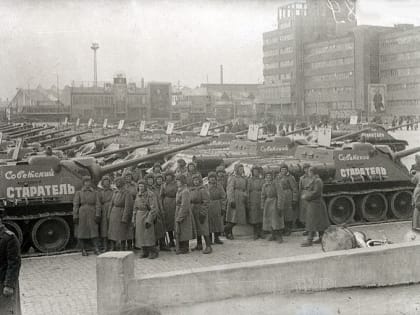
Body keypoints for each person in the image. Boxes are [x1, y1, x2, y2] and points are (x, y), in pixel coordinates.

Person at [301, 167, 330, 247]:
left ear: (313, 172)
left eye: (310, 172)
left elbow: (316, 192)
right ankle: (321, 238)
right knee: (319, 222)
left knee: (311, 222)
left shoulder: (317, 181)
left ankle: (309, 240)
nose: (308, 173)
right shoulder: (315, 180)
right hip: (315, 203)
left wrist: (306, 196)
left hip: (315, 204)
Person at [73, 176, 101, 256]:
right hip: (82, 213)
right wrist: (75, 215)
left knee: (94, 231)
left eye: (89, 182)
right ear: (83, 183)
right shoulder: (79, 193)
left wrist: (98, 214)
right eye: (86, 182)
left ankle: (96, 248)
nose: (87, 184)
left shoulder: (95, 193)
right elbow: (76, 205)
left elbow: (98, 204)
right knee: (81, 231)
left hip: (92, 212)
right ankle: (83, 249)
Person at [0, 209, 21, 312]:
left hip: (3, 284)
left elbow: (14, 263)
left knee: (7, 311)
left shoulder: (9, 238)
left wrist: (8, 285)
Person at [133, 180, 159, 259]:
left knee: (148, 235)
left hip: (147, 215)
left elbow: (154, 208)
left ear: (145, 186)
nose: (140, 188)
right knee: (140, 235)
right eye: (139, 186)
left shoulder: (150, 194)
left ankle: (153, 251)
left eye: (142, 186)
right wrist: (134, 218)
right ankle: (144, 251)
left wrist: (149, 219)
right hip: (139, 216)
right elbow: (135, 207)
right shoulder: (138, 195)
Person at [108, 177, 134, 251]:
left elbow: (128, 206)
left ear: (122, 183)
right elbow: (111, 203)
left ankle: (122, 247)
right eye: (116, 182)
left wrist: (125, 217)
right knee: (113, 232)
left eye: (118, 182)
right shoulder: (115, 192)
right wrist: (109, 214)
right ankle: (113, 247)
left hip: (121, 213)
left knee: (122, 232)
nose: (117, 183)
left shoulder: (127, 193)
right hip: (114, 214)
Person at [145, 173, 169, 251]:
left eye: (151, 180)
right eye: (149, 180)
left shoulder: (156, 189)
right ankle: (153, 246)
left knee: (160, 228)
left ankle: (162, 244)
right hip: (150, 212)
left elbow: (159, 200)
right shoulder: (145, 190)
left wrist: (161, 210)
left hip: (158, 210)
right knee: (152, 230)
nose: (150, 181)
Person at [190, 173, 212, 254]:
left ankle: (208, 246)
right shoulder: (191, 189)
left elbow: (206, 202)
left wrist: (203, 212)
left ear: (200, 181)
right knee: (197, 228)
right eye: (194, 180)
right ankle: (199, 244)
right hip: (194, 210)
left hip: (200, 210)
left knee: (204, 228)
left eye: (197, 180)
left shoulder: (203, 189)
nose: (196, 182)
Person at [225, 163, 247, 240]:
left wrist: (244, 195)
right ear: (236, 169)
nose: (241, 170)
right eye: (240, 169)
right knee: (232, 217)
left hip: (241, 199)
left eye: (242, 169)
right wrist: (231, 200)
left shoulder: (243, 178)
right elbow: (229, 189)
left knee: (238, 217)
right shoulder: (232, 178)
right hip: (235, 198)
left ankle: (228, 231)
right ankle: (228, 231)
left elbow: (244, 189)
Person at [175, 175, 195, 254]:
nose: (177, 183)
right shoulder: (179, 190)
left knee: (184, 230)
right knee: (180, 230)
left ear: (182, 182)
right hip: (178, 210)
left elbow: (185, 205)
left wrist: (180, 217)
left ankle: (185, 247)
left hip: (184, 213)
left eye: (178, 181)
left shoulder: (185, 191)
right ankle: (180, 246)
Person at [261, 170, 284, 243]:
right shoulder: (265, 185)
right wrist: (262, 205)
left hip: (275, 202)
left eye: (269, 176)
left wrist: (280, 206)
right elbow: (263, 196)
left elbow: (280, 195)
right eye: (267, 176)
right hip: (268, 203)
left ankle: (279, 236)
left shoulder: (276, 183)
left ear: (272, 177)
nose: (268, 177)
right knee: (269, 220)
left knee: (276, 219)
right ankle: (273, 234)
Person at [276, 164, 298, 236]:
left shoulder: (290, 177)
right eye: (282, 169)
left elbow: (294, 189)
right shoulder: (278, 177)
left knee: (288, 213)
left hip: (288, 195)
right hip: (280, 196)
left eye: (285, 169)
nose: (283, 171)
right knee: (281, 212)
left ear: (287, 170)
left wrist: (294, 199)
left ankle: (288, 229)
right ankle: (283, 228)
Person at [207, 172, 226, 245]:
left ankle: (216, 238)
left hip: (217, 205)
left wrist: (223, 207)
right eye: (211, 178)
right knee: (209, 223)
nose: (212, 179)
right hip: (209, 206)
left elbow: (223, 197)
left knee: (218, 222)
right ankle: (209, 239)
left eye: (213, 178)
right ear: (208, 179)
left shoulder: (219, 186)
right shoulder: (206, 186)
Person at [247, 166, 264, 239]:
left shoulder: (262, 180)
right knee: (254, 215)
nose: (256, 172)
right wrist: (248, 200)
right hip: (252, 198)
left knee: (261, 214)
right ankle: (255, 232)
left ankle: (261, 232)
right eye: (254, 171)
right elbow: (247, 191)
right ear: (252, 172)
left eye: (257, 171)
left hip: (260, 198)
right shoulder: (250, 180)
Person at [161, 171, 177, 248]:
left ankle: (178, 240)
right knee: (169, 223)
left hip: (175, 203)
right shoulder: (164, 185)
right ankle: (171, 240)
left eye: (169, 175)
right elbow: (161, 196)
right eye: (167, 176)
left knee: (176, 222)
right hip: (167, 204)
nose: (168, 177)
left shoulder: (176, 183)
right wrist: (161, 206)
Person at [98, 176, 114, 252]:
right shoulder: (100, 192)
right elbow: (98, 202)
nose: (106, 183)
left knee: (112, 228)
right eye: (104, 182)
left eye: (107, 182)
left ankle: (113, 246)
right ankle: (105, 247)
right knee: (104, 229)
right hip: (104, 210)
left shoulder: (113, 191)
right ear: (102, 183)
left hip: (112, 210)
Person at [298, 163, 312, 235]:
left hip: (310, 193)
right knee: (304, 213)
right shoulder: (302, 178)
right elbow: (300, 188)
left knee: (311, 213)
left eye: (308, 168)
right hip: (304, 194)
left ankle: (312, 230)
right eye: (305, 168)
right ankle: (307, 228)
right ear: (303, 170)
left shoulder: (313, 177)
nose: (307, 170)